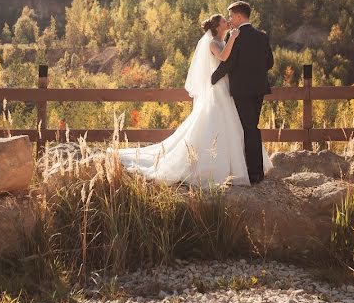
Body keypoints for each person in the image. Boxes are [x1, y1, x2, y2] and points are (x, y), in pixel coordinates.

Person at [112, 13, 272, 187]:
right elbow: (224, 58)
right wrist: (233, 38)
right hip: (218, 87)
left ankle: (234, 166)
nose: (228, 22)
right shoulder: (213, 43)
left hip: (224, 86)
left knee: (232, 125)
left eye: (229, 19)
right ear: (218, 27)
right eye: (224, 21)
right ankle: (213, 168)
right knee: (218, 122)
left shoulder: (223, 40)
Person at [210, 0, 274, 184]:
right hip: (259, 88)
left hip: (241, 90)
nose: (230, 20)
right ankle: (256, 171)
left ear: (239, 16)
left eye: (231, 16)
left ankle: (253, 173)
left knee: (247, 129)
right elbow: (270, 63)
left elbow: (228, 63)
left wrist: (213, 79)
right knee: (252, 127)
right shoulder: (262, 36)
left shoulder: (234, 36)